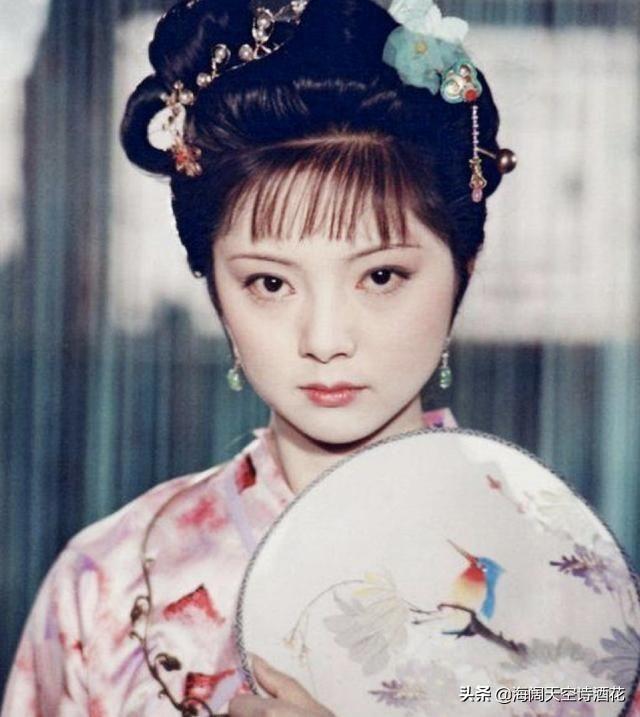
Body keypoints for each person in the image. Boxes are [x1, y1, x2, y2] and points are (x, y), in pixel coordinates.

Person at [7, 0, 618, 715]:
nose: (325, 339)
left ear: (465, 268)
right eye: (270, 283)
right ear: (214, 286)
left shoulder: (567, 581)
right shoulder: (109, 583)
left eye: (381, 276)